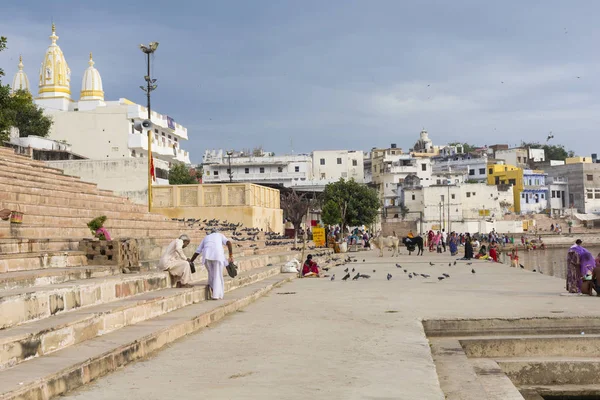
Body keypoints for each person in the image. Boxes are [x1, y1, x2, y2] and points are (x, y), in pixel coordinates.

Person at [190, 229, 233, 300]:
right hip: (217, 256)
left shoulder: (206, 237)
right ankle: (216, 295)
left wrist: (191, 261)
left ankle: (214, 291)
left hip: (207, 256)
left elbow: (198, 251)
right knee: (217, 275)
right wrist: (231, 255)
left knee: (211, 274)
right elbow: (229, 243)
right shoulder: (220, 235)